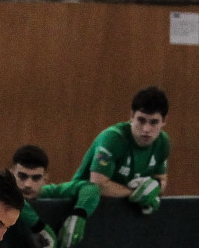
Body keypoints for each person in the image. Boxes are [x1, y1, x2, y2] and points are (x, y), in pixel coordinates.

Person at [72, 86, 169, 216]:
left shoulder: (163, 142)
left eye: (154, 122)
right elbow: (98, 185)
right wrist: (137, 194)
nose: (146, 129)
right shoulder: (112, 139)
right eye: (141, 120)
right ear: (132, 116)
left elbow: (161, 180)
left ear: (164, 121)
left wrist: (153, 188)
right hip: (84, 206)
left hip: (124, 210)